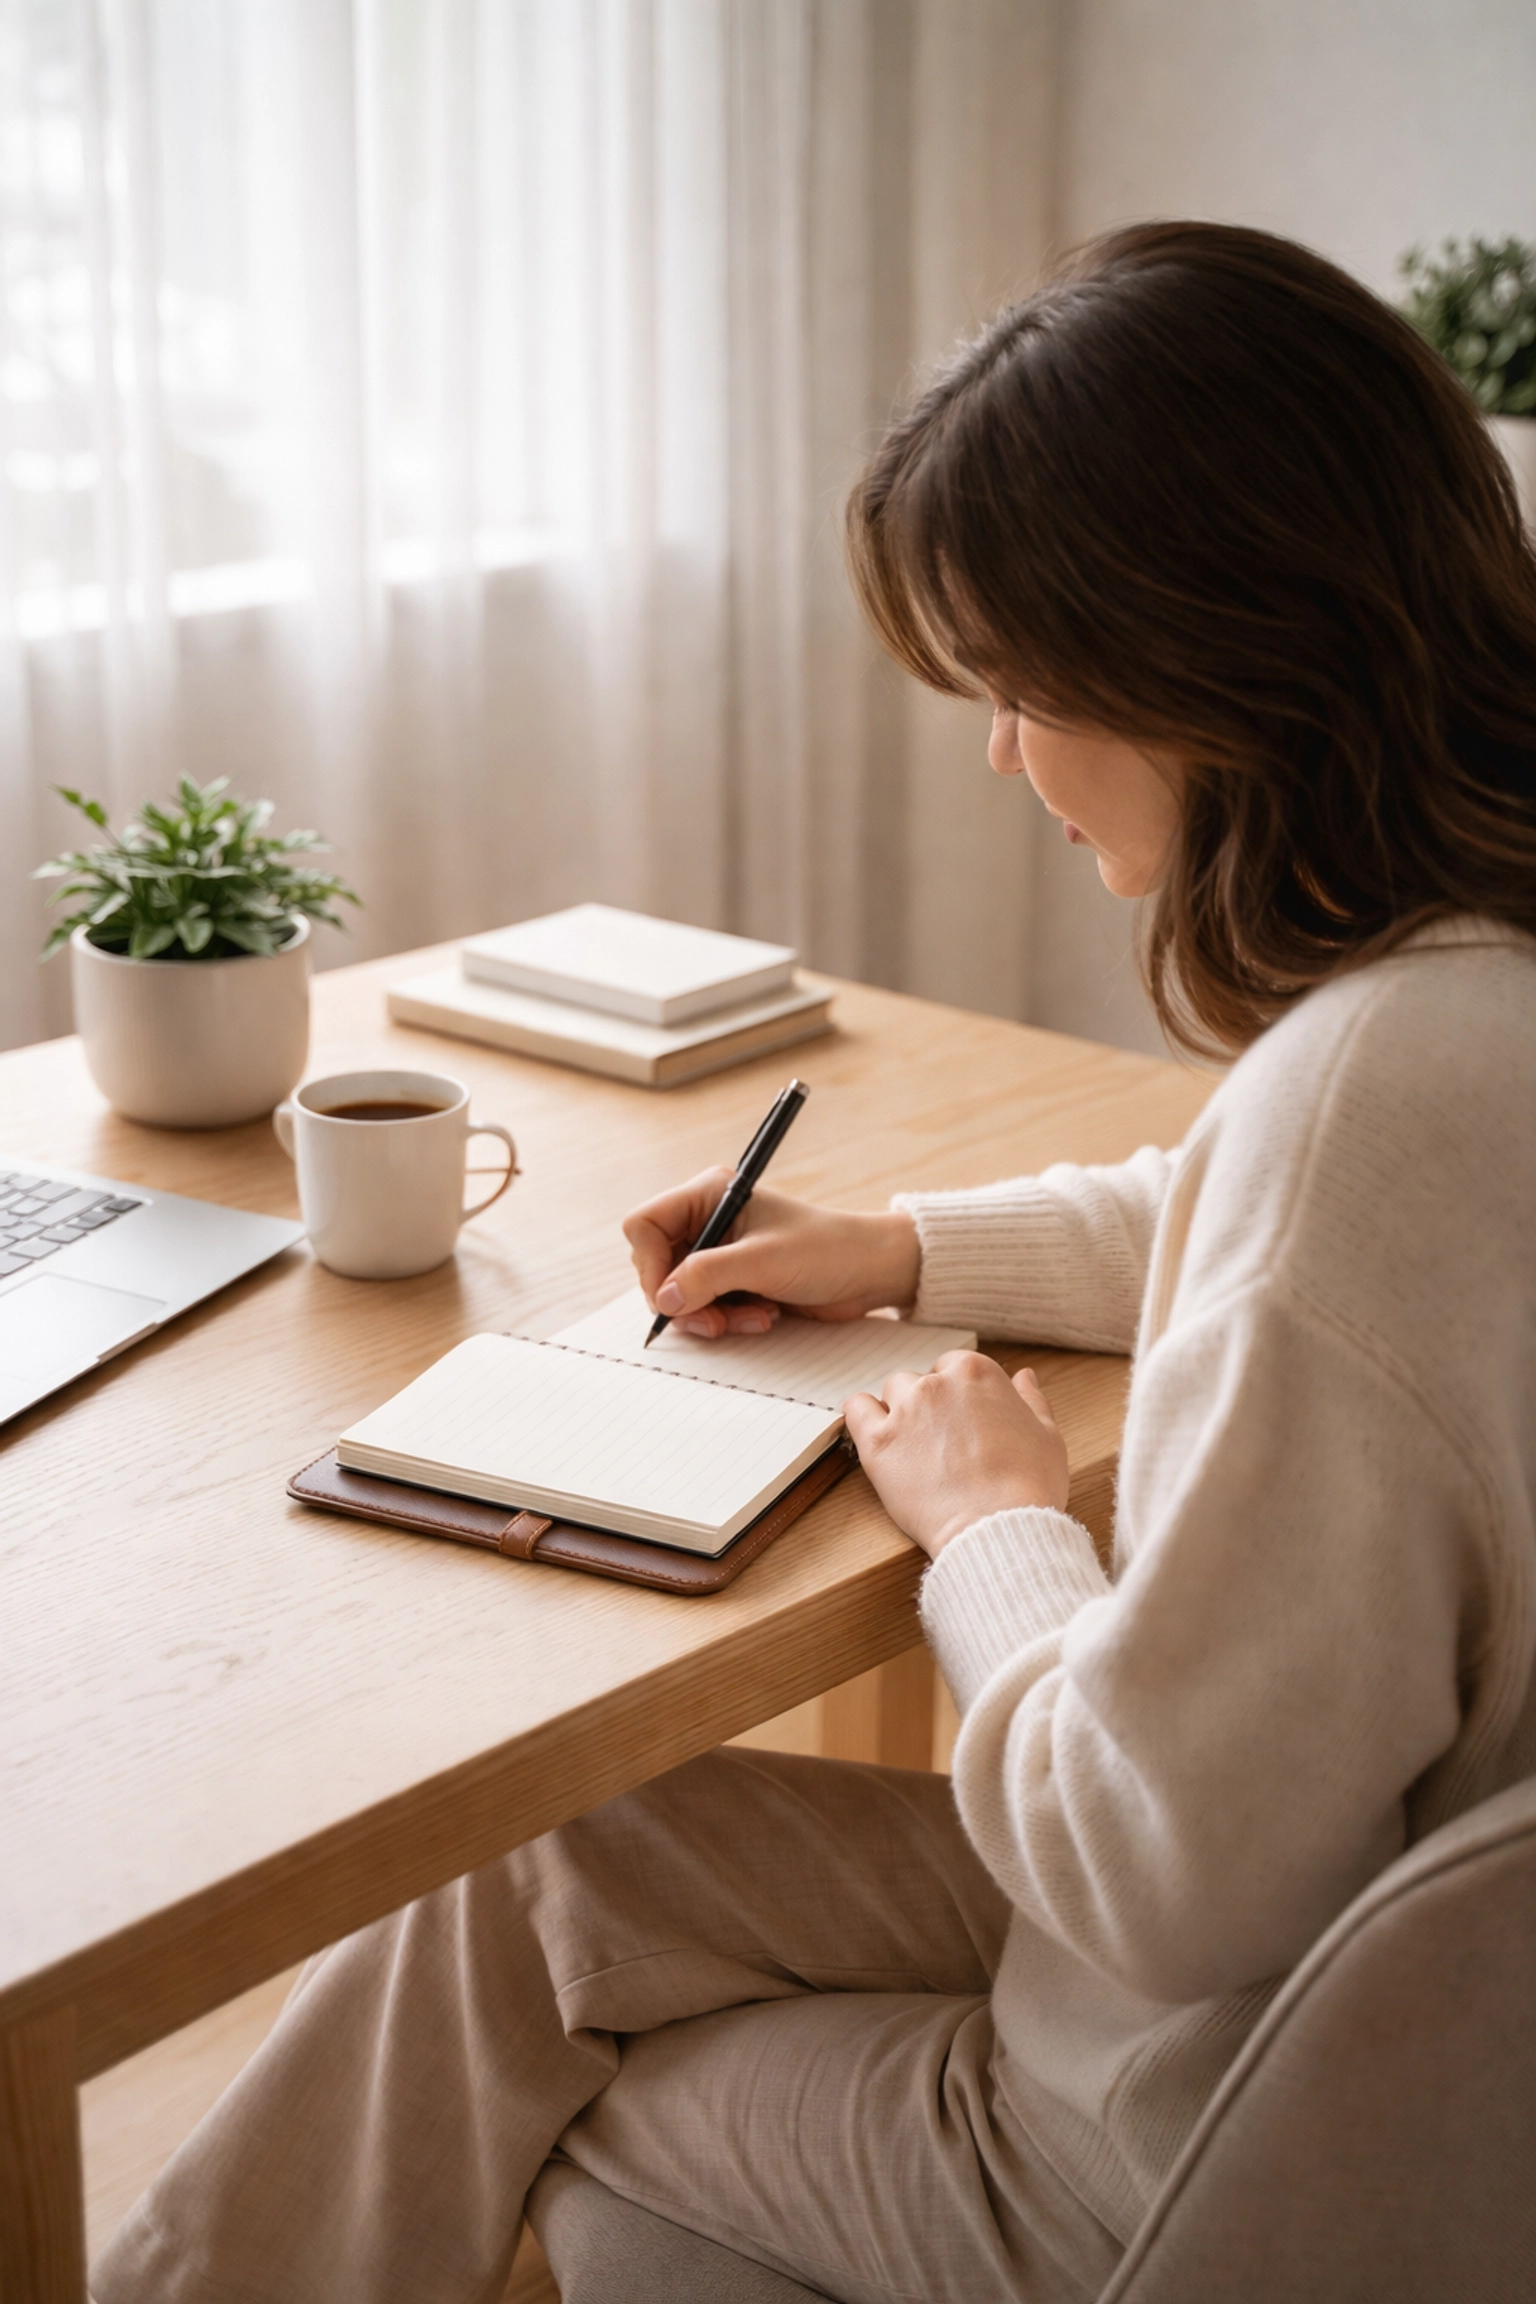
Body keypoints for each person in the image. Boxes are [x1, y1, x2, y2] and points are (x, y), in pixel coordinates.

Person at [94, 221, 1536, 2304]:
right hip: (1376, 1986)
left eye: (1022, 686)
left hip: (1187, 2130)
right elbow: (1256, 1226)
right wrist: (892, 1243)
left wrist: (995, 1528)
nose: (1001, 752)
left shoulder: (1359, 1108)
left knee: (542, 2070)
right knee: (562, 1855)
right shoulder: (1456, 1013)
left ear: (1206, 657)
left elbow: (1156, 1875)